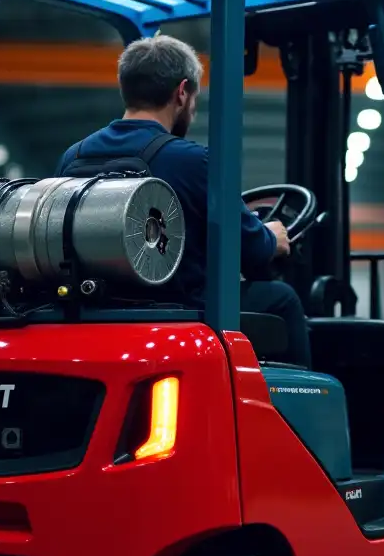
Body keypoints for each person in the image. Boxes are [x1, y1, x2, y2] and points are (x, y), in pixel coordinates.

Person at [56, 34, 312, 367]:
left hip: (95, 310)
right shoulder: (194, 161)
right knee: (282, 299)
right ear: (182, 92)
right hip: (179, 307)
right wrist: (272, 238)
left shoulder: (71, 158)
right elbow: (250, 248)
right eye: (193, 98)